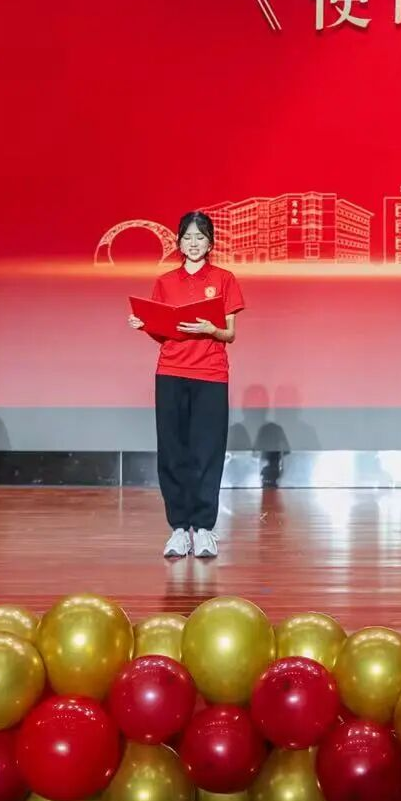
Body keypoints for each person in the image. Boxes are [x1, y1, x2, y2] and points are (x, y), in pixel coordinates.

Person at [129, 212, 244, 558]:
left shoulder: (224, 279)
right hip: (171, 372)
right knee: (173, 451)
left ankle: (204, 529)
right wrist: (145, 324)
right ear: (179, 242)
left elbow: (230, 333)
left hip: (210, 373)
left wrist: (211, 330)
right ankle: (179, 529)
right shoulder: (165, 282)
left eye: (200, 237)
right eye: (188, 237)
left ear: (210, 243)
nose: (193, 244)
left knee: (207, 451)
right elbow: (163, 332)